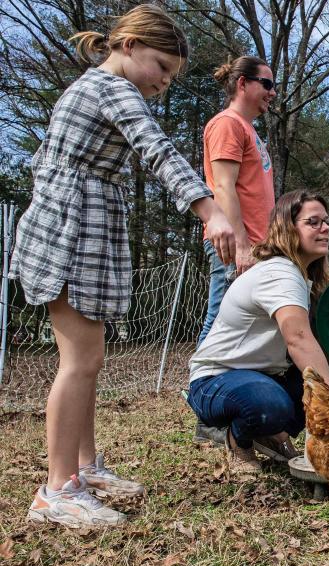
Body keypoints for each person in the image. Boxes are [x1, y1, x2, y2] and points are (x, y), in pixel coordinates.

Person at [11, 4, 238, 529]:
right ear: (129, 44)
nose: (163, 83)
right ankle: (57, 489)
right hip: (71, 230)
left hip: (85, 224)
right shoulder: (110, 88)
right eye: (161, 66)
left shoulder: (98, 90)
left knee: (89, 356)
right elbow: (155, 149)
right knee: (80, 360)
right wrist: (209, 210)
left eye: (171, 76)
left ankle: (84, 468)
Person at [187, 190, 329, 475]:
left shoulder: (302, 277)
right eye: (313, 222)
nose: (325, 228)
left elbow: (317, 344)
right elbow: (298, 340)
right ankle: (239, 438)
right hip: (215, 380)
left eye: (327, 221)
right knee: (271, 405)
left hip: (263, 376)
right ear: (288, 229)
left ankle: (269, 431)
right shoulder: (280, 273)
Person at [198, 55, 276, 345]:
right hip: (234, 244)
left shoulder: (247, 128)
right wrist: (242, 246)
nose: (273, 92)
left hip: (255, 244)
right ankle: (198, 386)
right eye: (266, 83)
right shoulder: (227, 124)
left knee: (242, 325)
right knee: (221, 320)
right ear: (243, 83)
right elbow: (223, 186)